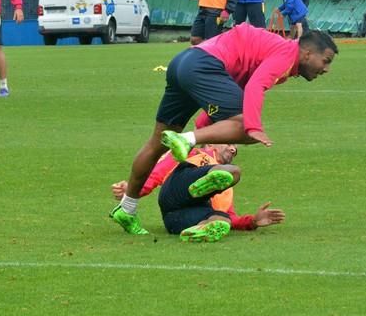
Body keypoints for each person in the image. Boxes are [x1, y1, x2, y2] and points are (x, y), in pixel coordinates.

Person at [109, 25, 337, 234]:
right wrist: (254, 127)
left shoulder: (279, 54)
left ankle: (127, 208)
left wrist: (204, 125)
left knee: (156, 143)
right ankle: (186, 140)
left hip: (183, 62)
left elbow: (233, 88)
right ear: (307, 53)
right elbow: (255, 86)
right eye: (325, 61)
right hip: (203, 64)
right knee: (245, 129)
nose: (326, 69)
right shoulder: (286, 55)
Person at [111, 144, 286, 241]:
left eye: (236, 150)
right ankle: (202, 181)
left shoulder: (226, 187)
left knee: (221, 219)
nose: (233, 150)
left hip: (175, 219)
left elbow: (232, 218)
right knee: (234, 171)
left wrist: (253, 221)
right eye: (230, 144)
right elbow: (157, 173)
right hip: (176, 192)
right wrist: (132, 191)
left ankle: (200, 230)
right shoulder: (191, 152)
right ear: (211, 142)